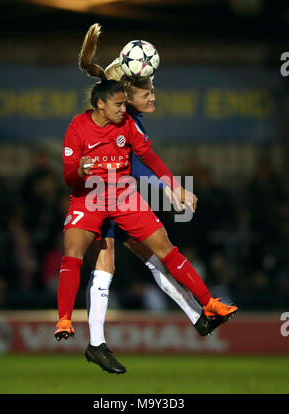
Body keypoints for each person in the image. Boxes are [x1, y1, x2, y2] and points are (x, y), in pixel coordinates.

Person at [54, 29, 238, 373]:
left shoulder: (124, 117)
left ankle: (197, 316)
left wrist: (92, 61)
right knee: (111, 267)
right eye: (147, 91)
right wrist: (167, 188)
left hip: (119, 199)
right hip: (99, 199)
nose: (153, 96)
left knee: (155, 259)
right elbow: (139, 163)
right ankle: (95, 342)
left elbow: (100, 77)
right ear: (126, 96)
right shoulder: (121, 120)